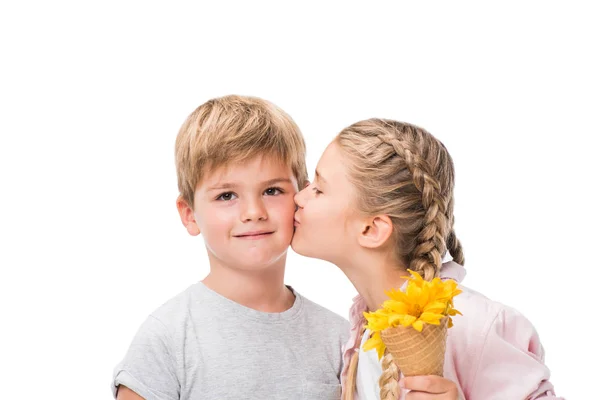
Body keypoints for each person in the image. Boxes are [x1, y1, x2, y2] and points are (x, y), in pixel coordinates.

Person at [292, 119, 563, 399]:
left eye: (319, 189)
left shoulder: (472, 325)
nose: (299, 196)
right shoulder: (363, 329)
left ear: (372, 229)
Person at [112, 95, 349, 400]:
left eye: (272, 190)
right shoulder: (168, 336)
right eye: (226, 196)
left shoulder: (339, 339)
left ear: (302, 196)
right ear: (189, 214)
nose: (253, 211)